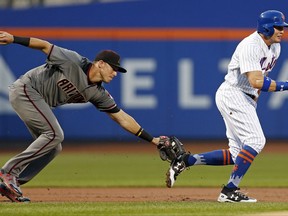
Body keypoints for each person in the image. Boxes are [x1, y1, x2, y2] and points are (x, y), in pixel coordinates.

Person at [0, 31, 165, 202]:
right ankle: (8, 172)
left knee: (54, 147)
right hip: (26, 89)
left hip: (36, 99)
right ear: (100, 63)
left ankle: (11, 184)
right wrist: (13, 39)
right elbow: (44, 46)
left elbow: (121, 118)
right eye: (113, 68)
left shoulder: (98, 93)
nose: (115, 73)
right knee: (55, 135)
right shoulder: (73, 61)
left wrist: (153, 140)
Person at [165, 10, 288, 203]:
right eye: (278, 27)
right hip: (234, 94)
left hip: (245, 97)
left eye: (283, 27)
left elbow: (258, 83)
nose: (282, 31)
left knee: (236, 154)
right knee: (256, 140)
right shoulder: (250, 45)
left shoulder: (275, 48)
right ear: (267, 27)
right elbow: (256, 81)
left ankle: (185, 160)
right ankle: (229, 190)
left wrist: (253, 101)